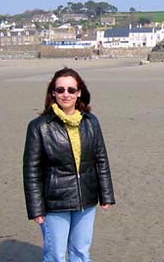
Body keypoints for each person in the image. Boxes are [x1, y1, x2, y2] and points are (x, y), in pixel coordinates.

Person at [23, 67, 115, 262]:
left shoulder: (91, 122)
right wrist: (36, 209)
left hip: (86, 199)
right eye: (60, 90)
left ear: (79, 92)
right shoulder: (39, 127)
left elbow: (101, 159)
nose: (66, 94)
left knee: (81, 252)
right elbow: (31, 171)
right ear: (53, 93)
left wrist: (106, 195)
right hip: (55, 202)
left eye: (71, 90)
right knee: (56, 255)